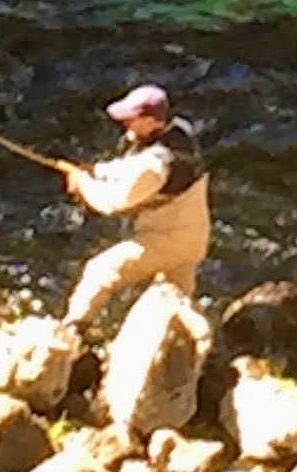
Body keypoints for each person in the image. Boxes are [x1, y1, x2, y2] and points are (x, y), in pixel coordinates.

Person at [60, 82, 208, 327]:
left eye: (131, 118)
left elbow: (111, 202)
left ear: (151, 121)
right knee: (177, 304)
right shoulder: (179, 130)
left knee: (101, 270)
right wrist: (96, 170)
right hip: (194, 235)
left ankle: (72, 328)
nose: (125, 122)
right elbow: (132, 165)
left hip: (169, 239)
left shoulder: (154, 168)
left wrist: (81, 182)